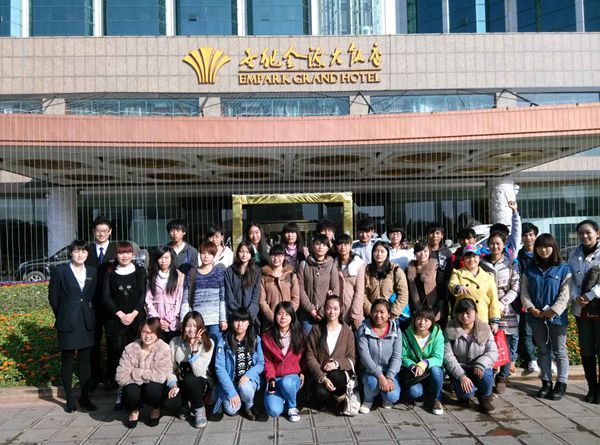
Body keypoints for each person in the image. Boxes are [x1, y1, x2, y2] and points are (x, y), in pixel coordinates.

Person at [48, 239, 98, 413]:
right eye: (77, 251)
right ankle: (69, 398)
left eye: (83, 251)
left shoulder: (92, 271)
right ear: (71, 253)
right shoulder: (60, 271)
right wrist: (63, 313)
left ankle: (85, 397)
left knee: (85, 361)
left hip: (86, 321)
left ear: (87, 253)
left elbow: (91, 295)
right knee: (67, 359)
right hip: (67, 321)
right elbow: (53, 298)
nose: (80, 254)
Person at [521, 233, 571, 401]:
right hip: (536, 316)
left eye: (547, 246)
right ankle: (546, 381)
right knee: (543, 349)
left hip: (557, 317)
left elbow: (566, 293)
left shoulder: (563, 268)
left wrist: (554, 310)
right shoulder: (530, 269)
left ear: (553, 247)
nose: (544, 250)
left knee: (560, 350)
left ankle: (561, 383)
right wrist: (530, 308)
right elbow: (524, 291)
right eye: (540, 247)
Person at [102, 241, 147, 391]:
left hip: (136, 319)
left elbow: (142, 295)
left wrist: (133, 314)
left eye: (128, 252)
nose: (125, 256)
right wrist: (121, 315)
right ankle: (118, 387)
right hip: (115, 321)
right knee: (117, 354)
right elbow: (106, 297)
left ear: (133, 254)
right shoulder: (109, 271)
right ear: (116, 255)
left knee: (136, 353)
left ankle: (136, 385)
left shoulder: (140, 271)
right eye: (121, 253)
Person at [481, 232, 520, 394]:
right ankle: (489, 377)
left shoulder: (511, 264)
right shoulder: (482, 263)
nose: (495, 246)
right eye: (492, 243)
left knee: (507, 344)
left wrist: (502, 304)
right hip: (486, 310)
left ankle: (503, 376)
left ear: (504, 244)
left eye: (498, 243)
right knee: (488, 344)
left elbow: (516, 287)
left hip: (506, 310)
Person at [115, 318, 171, 428]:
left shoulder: (164, 349)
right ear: (140, 332)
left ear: (157, 334)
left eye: (151, 332)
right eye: (145, 332)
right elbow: (120, 376)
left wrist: (136, 373)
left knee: (153, 389)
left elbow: (160, 376)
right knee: (131, 390)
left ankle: (156, 408)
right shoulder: (130, 348)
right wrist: (145, 377)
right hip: (135, 387)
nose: (147, 336)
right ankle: (134, 410)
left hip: (153, 386)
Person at [213, 308, 266, 421]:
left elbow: (261, 363)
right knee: (231, 410)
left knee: (245, 388)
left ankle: (248, 406)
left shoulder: (255, 339)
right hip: (231, 382)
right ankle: (238, 398)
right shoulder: (224, 341)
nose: (239, 324)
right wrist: (231, 392)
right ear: (232, 323)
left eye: (243, 320)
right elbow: (219, 368)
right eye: (236, 320)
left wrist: (248, 375)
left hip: (248, 381)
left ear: (249, 322)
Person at [305, 295, 356, 413]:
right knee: (320, 392)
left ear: (341, 310)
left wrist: (336, 363)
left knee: (335, 375)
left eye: (335, 308)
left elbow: (352, 359)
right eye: (328, 308)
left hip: (340, 375)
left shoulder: (347, 331)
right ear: (324, 309)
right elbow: (310, 356)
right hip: (321, 374)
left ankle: (340, 397)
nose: (332, 311)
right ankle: (329, 401)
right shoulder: (316, 330)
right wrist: (323, 378)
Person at [568, 219, 600, 404]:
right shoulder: (574, 254)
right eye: (581, 233)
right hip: (582, 309)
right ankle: (592, 387)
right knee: (587, 349)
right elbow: (570, 279)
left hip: (597, 305)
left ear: (597, 233)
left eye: (588, 232)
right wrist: (575, 296)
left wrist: (590, 295)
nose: (584, 236)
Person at [166, 311, 214, 429]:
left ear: (201, 328)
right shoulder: (174, 342)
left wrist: (194, 349)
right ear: (183, 327)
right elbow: (169, 367)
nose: (192, 329)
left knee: (190, 379)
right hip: (180, 382)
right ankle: (185, 404)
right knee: (168, 400)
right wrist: (173, 384)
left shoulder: (208, 343)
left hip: (200, 383)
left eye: (195, 326)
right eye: (188, 325)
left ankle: (199, 408)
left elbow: (198, 372)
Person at [85, 217, 116, 390]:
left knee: (113, 342)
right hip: (93, 304)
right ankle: (94, 377)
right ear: (93, 232)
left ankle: (112, 377)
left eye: (105, 230)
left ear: (110, 232)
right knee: (93, 342)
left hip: (112, 304)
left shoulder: (117, 250)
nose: (101, 233)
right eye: (98, 230)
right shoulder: (87, 251)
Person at [356, 299, 402, 413]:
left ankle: (385, 397)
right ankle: (368, 399)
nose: (378, 315)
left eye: (382, 312)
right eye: (375, 311)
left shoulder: (396, 330)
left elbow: (397, 357)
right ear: (371, 313)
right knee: (372, 384)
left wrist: (389, 377)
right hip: (369, 371)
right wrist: (380, 377)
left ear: (389, 314)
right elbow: (365, 357)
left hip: (389, 371)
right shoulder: (363, 329)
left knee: (392, 396)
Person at [262, 301, 305, 422]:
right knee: (273, 411)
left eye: (287, 314)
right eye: (280, 314)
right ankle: (285, 397)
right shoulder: (267, 336)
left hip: (292, 378)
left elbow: (306, 356)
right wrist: (271, 379)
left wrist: (303, 371)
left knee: (287, 383)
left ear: (292, 316)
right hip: (275, 378)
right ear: (275, 315)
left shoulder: (300, 335)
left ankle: (292, 406)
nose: (283, 317)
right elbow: (267, 362)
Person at [180, 241, 227, 344]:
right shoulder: (192, 273)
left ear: (214, 255)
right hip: (197, 320)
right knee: (197, 346)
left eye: (209, 254)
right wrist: (184, 320)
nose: (206, 256)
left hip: (215, 321)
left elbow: (222, 298)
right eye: (203, 253)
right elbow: (185, 298)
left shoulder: (219, 273)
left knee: (215, 348)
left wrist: (223, 319)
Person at [401, 307, 445, 415]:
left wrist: (424, 363)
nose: (422, 322)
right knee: (414, 392)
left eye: (426, 320)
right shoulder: (406, 334)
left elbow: (438, 357)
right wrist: (412, 365)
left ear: (432, 322)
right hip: (415, 373)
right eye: (419, 318)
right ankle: (421, 395)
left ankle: (437, 399)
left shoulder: (437, 334)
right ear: (414, 319)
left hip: (431, 369)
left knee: (436, 370)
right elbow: (403, 356)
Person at [449, 245, 500, 332]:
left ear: (479, 258)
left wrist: (494, 321)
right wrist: (458, 287)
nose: (471, 259)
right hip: (463, 318)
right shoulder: (457, 273)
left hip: (482, 318)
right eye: (468, 257)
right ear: (463, 259)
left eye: (474, 256)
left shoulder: (488, 276)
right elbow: (452, 284)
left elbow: (494, 299)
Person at [298, 234, 340, 333]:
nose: (320, 247)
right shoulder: (304, 265)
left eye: (324, 245)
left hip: (326, 313)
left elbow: (335, 290)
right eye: (317, 244)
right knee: (308, 341)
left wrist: (322, 311)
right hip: (307, 314)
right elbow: (300, 288)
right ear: (312, 246)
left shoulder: (332, 266)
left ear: (328, 248)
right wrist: (311, 309)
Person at [146, 246, 185, 343]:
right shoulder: (151, 276)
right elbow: (148, 300)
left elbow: (179, 300)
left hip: (172, 323)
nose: (163, 261)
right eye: (160, 258)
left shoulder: (179, 277)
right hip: (155, 323)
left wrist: (168, 320)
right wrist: (157, 319)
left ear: (171, 258)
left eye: (166, 258)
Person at [364, 240, 409, 323]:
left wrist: (392, 313)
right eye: (376, 251)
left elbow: (403, 294)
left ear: (387, 253)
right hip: (372, 316)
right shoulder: (367, 271)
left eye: (382, 251)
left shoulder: (396, 270)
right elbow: (364, 294)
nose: (379, 254)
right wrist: (372, 312)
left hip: (392, 316)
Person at [516, 222, 540, 373]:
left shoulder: (542, 252)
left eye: (531, 234)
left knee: (545, 330)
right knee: (527, 330)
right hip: (525, 297)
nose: (528, 238)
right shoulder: (519, 256)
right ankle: (532, 359)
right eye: (525, 235)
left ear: (535, 236)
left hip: (541, 297)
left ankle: (548, 359)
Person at [259, 244, 300, 330]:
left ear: (284, 257)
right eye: (273, 255)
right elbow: (262, 301)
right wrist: (273, 317)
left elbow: (296, 299)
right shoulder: (264, 278)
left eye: (279, 255)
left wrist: (287, 315)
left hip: (288, 321)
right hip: (270, 322)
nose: (276, 258)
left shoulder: (291, 276)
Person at [406, 242, 446, 326]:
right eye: (419, 251)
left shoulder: (436, 269)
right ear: (415, 253)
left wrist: (434, 312)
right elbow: (407, 292)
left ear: (429, 252)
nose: (422, 254)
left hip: (434, 311)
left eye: (425, 251)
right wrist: (413, 310)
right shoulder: (409, 270)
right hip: (416, 312)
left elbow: (442, 294)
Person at [224, 240, 261, 328]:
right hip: (234, 317)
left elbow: (255, 297)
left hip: (251, 317)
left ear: (251, 254)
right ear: (237, 253)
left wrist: (248, 316)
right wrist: (238, 316)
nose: (244, 255)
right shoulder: (229, 271)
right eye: (241, 251)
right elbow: (229, 297)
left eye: (247, 252)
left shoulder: (256, 271)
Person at [334, 234, 365, 330]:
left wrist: (355, 313)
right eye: (340, 244)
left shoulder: (358, 264)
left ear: (351, 245)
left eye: (346, 244)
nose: (343, 247)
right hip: (337, 310)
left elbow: (360, 291)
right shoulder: (333, 264)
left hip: (353, 309)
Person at [425, 224, 452, 289]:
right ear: (427, 235)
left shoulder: (447, 252)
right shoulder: (423, 251)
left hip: (443, 288)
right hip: (426, 286)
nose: (434, 236)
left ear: (442, 235)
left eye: (437, 233)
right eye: (431, 233)